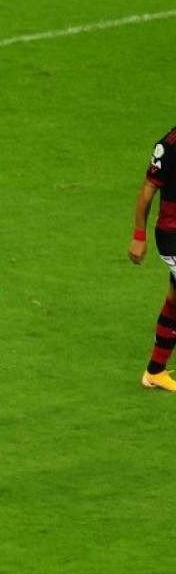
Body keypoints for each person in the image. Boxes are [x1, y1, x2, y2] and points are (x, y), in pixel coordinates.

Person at [129, 126, 176, 391]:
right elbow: (149, 189)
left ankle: (155, 371)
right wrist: (139, 235)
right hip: (172, 236)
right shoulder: (169, 145)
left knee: (174, 299)